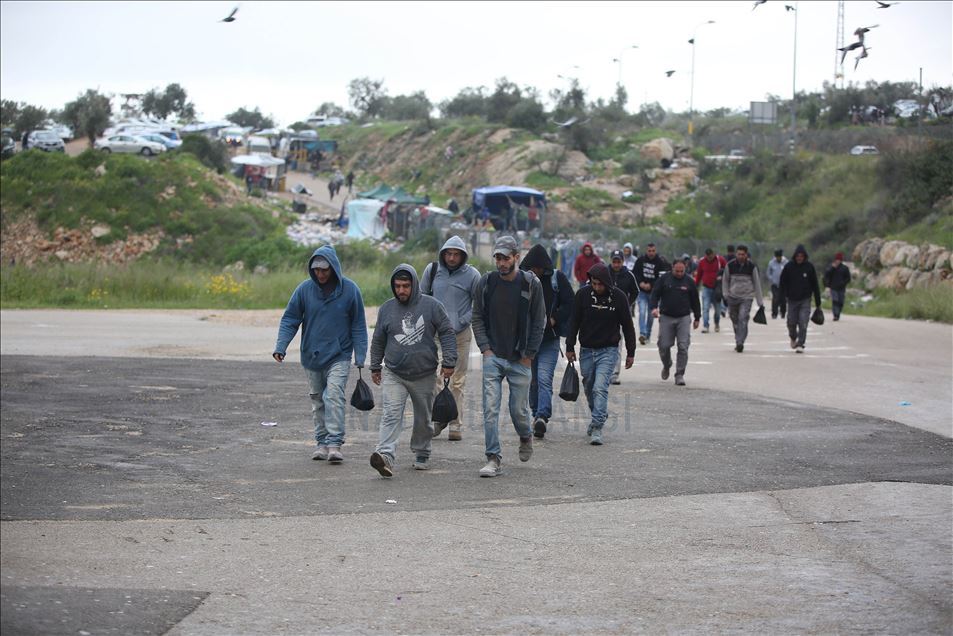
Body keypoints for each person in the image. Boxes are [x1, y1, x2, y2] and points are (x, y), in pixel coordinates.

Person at [273, 245, 367, 464]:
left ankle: (335, 444)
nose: (320, 274)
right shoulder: (304, 290)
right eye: (316, 270)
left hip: (339, 355)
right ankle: (321, 443)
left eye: (324, 270)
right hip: (312, 356)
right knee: (317, 400)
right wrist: (281, 346)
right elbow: (290, 319)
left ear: (333, 267)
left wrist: (360, 356)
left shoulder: (350, 290)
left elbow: (358, 325)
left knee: (333, 395)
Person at [368, 265, 457, 477]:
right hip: (394, 372)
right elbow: (378, 339)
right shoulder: (386, 309)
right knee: (391, 414)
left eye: (406, 286)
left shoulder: (432, 306)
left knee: (423, 419)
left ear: (414, 285)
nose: (401, 290)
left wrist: (449, 362)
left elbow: (446, 332)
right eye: (397, 286)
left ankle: (422, 452)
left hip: (424, 373)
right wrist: (375, 365)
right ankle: (385, 456)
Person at [471, 235, 546, 477]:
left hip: (520, 359)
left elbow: (539, 321)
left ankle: (525, 435)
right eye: (498, 258)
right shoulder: (487, 282)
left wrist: (529, 355)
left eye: (506, 258)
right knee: (490, 410)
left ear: (516, 257)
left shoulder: (531, 284)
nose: (501, 263)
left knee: (518, 411)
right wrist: (485, 348)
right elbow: (477, 317)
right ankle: (493, 458)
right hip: (493, 357)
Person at [565, 263, 636, 445]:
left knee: (600, 387)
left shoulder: (619, 297)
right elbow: (574, 321)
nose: (597, 287)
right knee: (589, 386)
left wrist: (631, 352)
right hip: (587, 350)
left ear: (607, 282)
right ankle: (599, 413)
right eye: (594, 284)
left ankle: (597, 426)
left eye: (600, 284)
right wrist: (570, 346)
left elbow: (628, 326)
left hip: (608, 350)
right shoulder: (582, 295)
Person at [420, 236, 481, 441]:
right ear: (443, 254)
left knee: (457, 381)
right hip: (436, 334)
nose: (452, 258)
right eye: (448, 254)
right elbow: (422, 297)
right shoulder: (432, 270)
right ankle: (439, 418)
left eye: (456, 254)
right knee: (433, 377)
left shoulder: (472, 275)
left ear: (463, 256)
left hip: (460, 335)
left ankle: (455, 424)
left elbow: (479, 303)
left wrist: (463, 320)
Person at [520, 244, 574, 439]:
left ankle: (542, 415)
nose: (536, 271)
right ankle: (536, 415)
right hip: (528, 341)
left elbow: (570, 302)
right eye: (532, 268)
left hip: (549, 340)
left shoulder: (556, 279)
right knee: (532, 381)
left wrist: (555, 319)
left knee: (544, 378)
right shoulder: (521, 280)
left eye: (539, 268)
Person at [651, 260, 701, 386]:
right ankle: (667, 364)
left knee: (683, 346)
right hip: (666, 316)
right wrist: (654, 308)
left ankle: (679, 374)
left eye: (681, 271)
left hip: (683, 317)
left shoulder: (689, 281)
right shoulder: (664, 279)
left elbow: (695, 300)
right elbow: (655, 294)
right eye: (677, 271)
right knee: (663, 345)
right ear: (672, 268)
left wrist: (697, 317)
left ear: (685, 269)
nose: (679, 274)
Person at [722, 244, 765, 353]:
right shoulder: (730, 265)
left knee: (743, 318)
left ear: (746, 255)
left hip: (746, 297)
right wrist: (725, 295)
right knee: (735, 320)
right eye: (739, 254)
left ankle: (740, 342)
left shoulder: (752, 267)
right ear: (736, 254)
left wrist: (760, 302)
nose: (741, 256)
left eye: (743, 254)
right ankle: (738, 338)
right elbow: (725, 281)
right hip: (732, 297)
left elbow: (757, 283)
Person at [781, 244, 822, 353]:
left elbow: (815, 285)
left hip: (805, 299)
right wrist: (782, 300)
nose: (799, 258)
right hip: (792, 300)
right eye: (798, 256)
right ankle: (793, 337)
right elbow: (782, 283)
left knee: (803, 322)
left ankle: (801, 343)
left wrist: (818, 303)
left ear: (804, 257)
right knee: (791, 322)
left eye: (801, 256)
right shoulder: (789, 267)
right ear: (795, 256)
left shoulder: (809, 267)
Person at [608, 249, 639, 385]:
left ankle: (614, 374)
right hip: (604, 313)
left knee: (617, 343)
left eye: (619, 262)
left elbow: (635, 291)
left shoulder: (629, 275)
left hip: (620, 315)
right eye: (614, 262)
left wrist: (627, 304)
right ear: (610, 261)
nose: (616, 264)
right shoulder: (604, 272)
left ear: (623, 261)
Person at [632, 243, 670, 346]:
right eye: (649, 251)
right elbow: (635, 274)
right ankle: (642, 333)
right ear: (646, 251)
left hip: (654, 293)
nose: (651, 253)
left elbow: (661, 278)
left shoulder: (660, 262)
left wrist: (651, 285)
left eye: (653, 251)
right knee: (642, 311)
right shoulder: (640, 260)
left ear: (655, 251)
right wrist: (640, 283)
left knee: (650, 315)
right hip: (641, 292)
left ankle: (647, 335)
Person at [693, 248, 726, 333]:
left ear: (713, 254)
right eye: (707, 256)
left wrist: (723, 279)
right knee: (705, 308)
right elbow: (699, 274)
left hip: (717, 289)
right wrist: (695, 286)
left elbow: (727, 270)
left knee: (717, 310)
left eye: (710, 256)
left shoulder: (720, 260)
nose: (709, 258)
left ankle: (717, 323)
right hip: (706, 288)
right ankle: (705, 326)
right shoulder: (702, 262)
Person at [823, 252, 852, 321]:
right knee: (835, 301)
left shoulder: (845, 268)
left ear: (841, 260)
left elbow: (848, 278)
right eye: (836, 259)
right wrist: (832, 268)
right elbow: (826, 275)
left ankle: (838, 314)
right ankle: (835, 315)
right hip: (833, 287)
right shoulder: (831, 267)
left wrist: (843, 283)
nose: (837, 261)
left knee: (841, 302)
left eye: (839, 260)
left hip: (841, 288)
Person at [766, 249, 789, 320]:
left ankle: (783, 313)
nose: (778, 258)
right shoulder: (771, 263)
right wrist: (772, 279)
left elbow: (789, 272)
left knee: (783, 299)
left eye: (779, 257)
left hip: (784, 284)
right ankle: (774, 313)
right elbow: (768, 273)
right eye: (777, 257)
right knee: (775, 298)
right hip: (775, 284)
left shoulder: (786, 262)